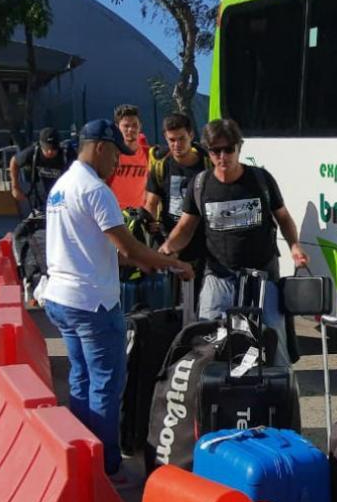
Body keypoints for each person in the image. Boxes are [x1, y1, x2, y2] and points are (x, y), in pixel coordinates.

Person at [41, 119, 194, 478]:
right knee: (106, 385)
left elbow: (97, 249)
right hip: (92, 303)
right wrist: (174, 264)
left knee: (81, 379)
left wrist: (142, 261)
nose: (117, 164)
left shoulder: (61, 187)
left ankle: (82, 458)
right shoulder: (96, 190)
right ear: (101, 148)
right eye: (115, 156)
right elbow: (129, 247)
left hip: (61, 298)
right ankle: (107, 468)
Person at [159, 119, 308, 366]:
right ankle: (209, 385)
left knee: (273, 333)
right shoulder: (200, 184)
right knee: (206, 336)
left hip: (262, 275)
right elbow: (185, 227)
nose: (222, 157)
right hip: (219, 276)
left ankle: (282, 385)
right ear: (208, 152)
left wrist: (294, 245)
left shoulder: (260, 180)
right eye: (215, 151)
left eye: (228, 149)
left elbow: (283, 217)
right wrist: (167, 248)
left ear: (239, 147)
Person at [144, 113, 208, 306]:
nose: (177, 145)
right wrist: (150, 223)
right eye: (172, 140)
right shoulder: (161, 166)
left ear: (191, 135)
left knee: (200, 301)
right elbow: (151, 203)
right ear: (165, 138)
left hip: (202, 242)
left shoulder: (207, 164)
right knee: (170, 302)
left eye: (181, 139)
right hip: (170, 242)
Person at [10, 127, 68, 213]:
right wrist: (15, 187)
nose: (50, 152)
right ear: (41, 145)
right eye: (46, 148)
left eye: (53, 148)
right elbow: (14, 161)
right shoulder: (34, 152)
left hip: (63, 200)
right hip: (40, 201)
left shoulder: (66, 154)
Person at [107, 104, 150, 209]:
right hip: (115, 212)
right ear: (117, 128)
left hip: (139, 213)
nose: (130, 129)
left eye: (134, 125)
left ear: (140, 126)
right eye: (126, 126)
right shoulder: (111, 153)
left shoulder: (147, 152)